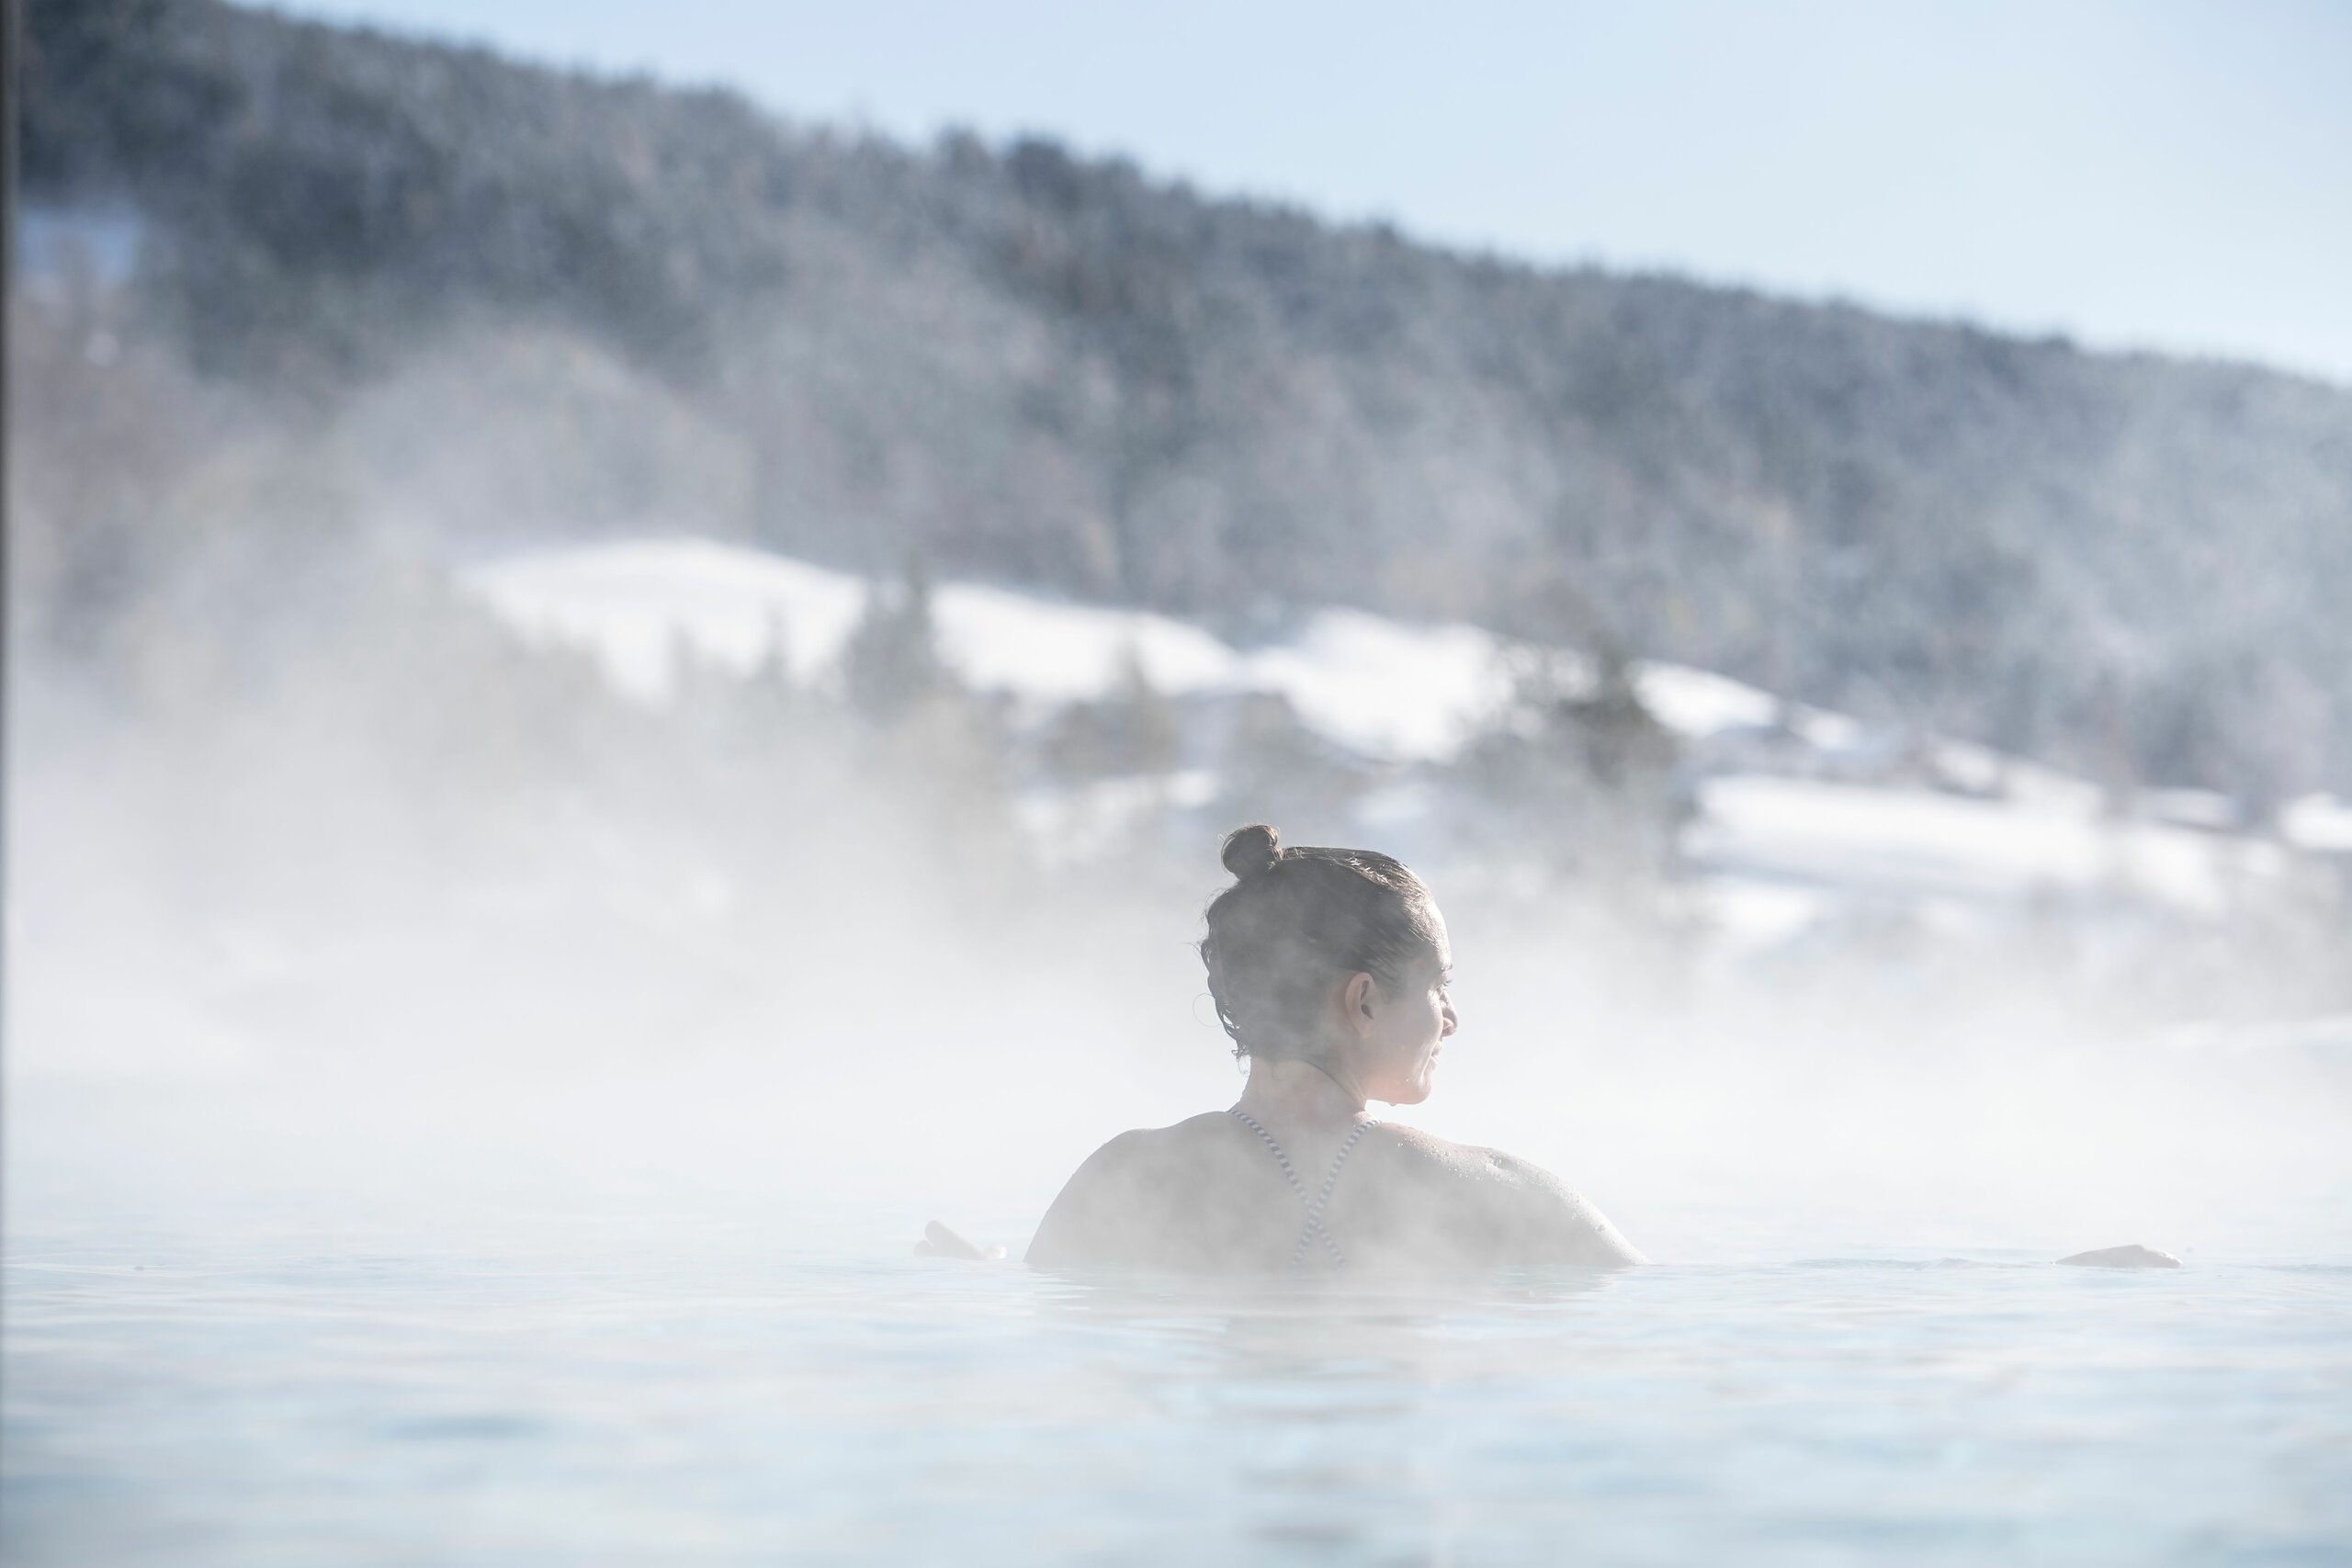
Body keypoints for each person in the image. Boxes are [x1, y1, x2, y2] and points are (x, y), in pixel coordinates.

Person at [1022, 824, 1645, 1273]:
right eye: (1439, 985)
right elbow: (1640, 1325)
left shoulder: (1123, 1180)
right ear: (1365, 1001)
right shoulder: (1495, 1190)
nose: (1450, 1020)